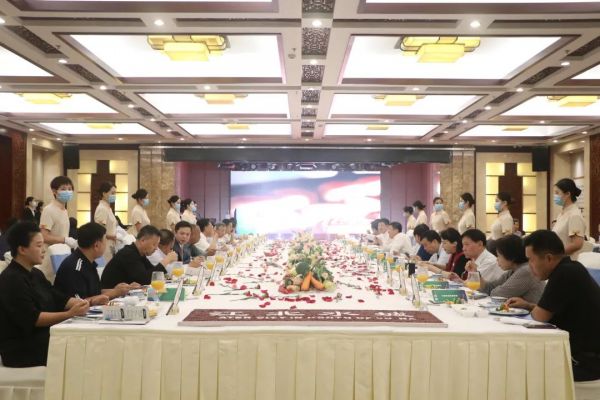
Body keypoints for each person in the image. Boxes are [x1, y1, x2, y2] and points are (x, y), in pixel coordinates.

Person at [507, 230, 600, 396]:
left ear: (548, 258)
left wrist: (531, 309)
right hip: (584, 353)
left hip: (585, 362)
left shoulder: (564, 273)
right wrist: (528, 305)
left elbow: (539, 317)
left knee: (518, 368)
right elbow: (552, 311)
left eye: (531, 260)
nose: (529, 266)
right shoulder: (572, 267)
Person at [0, 222, 89, 367]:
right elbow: (33, 318)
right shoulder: (11, 279)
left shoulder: (35, 273)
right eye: (39, 246)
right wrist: (69, 314)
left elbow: (57, 297)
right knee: (80, 345)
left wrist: (82, 303)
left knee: (84, 337)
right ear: (22, 249)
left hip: (43, 337)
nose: (44, 250)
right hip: (21, 348)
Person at [54, 222, 132, 302]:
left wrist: (120, 290)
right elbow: (79, 302)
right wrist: (114, 293)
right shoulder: (75, 267)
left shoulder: (88, 262)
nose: (106, 244)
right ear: (96, 246)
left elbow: (95, 293)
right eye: (105, 240)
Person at [464, 234, 544, 302]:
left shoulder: (525, 271)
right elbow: (489, 288)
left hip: (532, 315)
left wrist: (498, 289)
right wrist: (476, 273)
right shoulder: (512, 271)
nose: (497, 259)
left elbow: (498, 295)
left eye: (499, 256)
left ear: (510, 256)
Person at [100, 225, 175, 288]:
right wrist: (166, 260)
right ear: (143, 240)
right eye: (154, 244)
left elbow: (152, 272)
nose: (156, 248)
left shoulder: (140, 253)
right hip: (110, 296)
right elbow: (144, 279)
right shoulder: (128, 254)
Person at [39, 176, 78, 279]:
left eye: (70, 189)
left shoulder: (64, 210)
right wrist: (65, 240)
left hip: (63, 253)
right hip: (50, 256)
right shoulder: (49, 210)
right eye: (63, 189)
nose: (67, 192)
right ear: (54, 191)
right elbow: (44, 236)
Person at [552, 178, 586, 257]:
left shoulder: (574, 215)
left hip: (568, 260)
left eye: (557, 193)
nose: (555, 196)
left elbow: (577, 244)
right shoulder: (562, 214)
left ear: (567, 194)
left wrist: (556, 255)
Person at [94, 181, 118, 263]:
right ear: (104, 193)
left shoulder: (108, 208)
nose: (114, 195)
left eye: (115, 193)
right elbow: (99, 232)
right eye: (112, 193)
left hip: (111, 244)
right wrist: (113, 236)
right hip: (104, 245)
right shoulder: (102, 208)